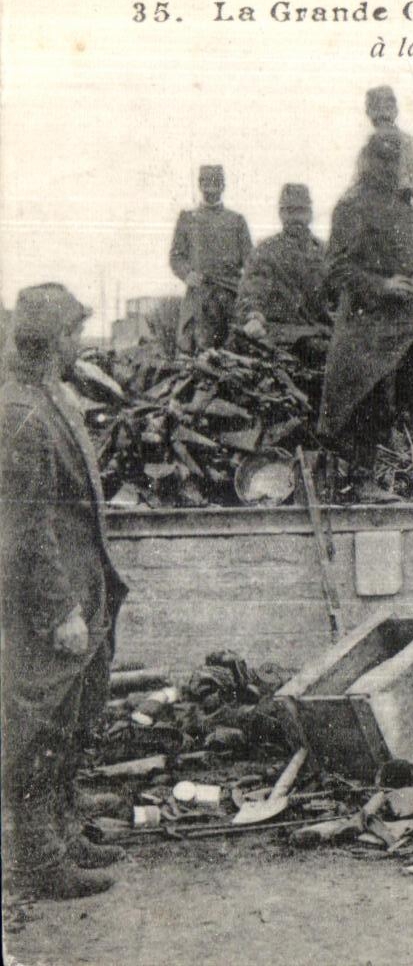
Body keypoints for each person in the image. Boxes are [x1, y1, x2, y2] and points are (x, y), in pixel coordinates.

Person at [1, 283, 129, 901]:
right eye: (74, 333)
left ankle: (63, 829)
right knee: (40, 730)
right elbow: (25, 528)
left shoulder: (48, 396)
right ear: (52, 344)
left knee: (71, 721)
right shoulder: (20, 413)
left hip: (82, 584)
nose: (82, 342)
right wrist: (58, 612)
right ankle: (37, 862)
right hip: (51, 602)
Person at [317, 131, 413, 502]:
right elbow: (335, 270)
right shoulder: (351, 207)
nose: (386, 168)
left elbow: (408, 264)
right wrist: (382, 285)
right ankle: (363, 480)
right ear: (365, 163)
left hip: (411, 320)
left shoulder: (406, 209)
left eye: (392, 161)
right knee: (370, 398)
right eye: (379, 161)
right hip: (371, 325)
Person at [235, 183, 331, 350]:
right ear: (281, 214)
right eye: (289, 211)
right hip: (280, 336)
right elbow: (253, 290)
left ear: (310, 214)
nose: (295, 218)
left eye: (301, 211)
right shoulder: (265, 251)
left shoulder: (325, 252)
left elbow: (340, 293)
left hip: (320, 332)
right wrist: (254, 317)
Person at [170, 164, 252, 352]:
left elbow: (250, 262)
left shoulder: (236, 220)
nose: (211, 188)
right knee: (193, 351)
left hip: (231, 295)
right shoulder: (188, 218)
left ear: (223, 186)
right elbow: (176, 256)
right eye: (207, 182)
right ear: (200, 184)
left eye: (216, 183)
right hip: (199, 294)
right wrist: (187, 274)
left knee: (238, 350)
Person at [364, 85, 413, 219]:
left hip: (410, 223)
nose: (383, 126)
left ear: (394, 112)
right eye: (378, 120)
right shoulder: (367, 152)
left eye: (386, 118)